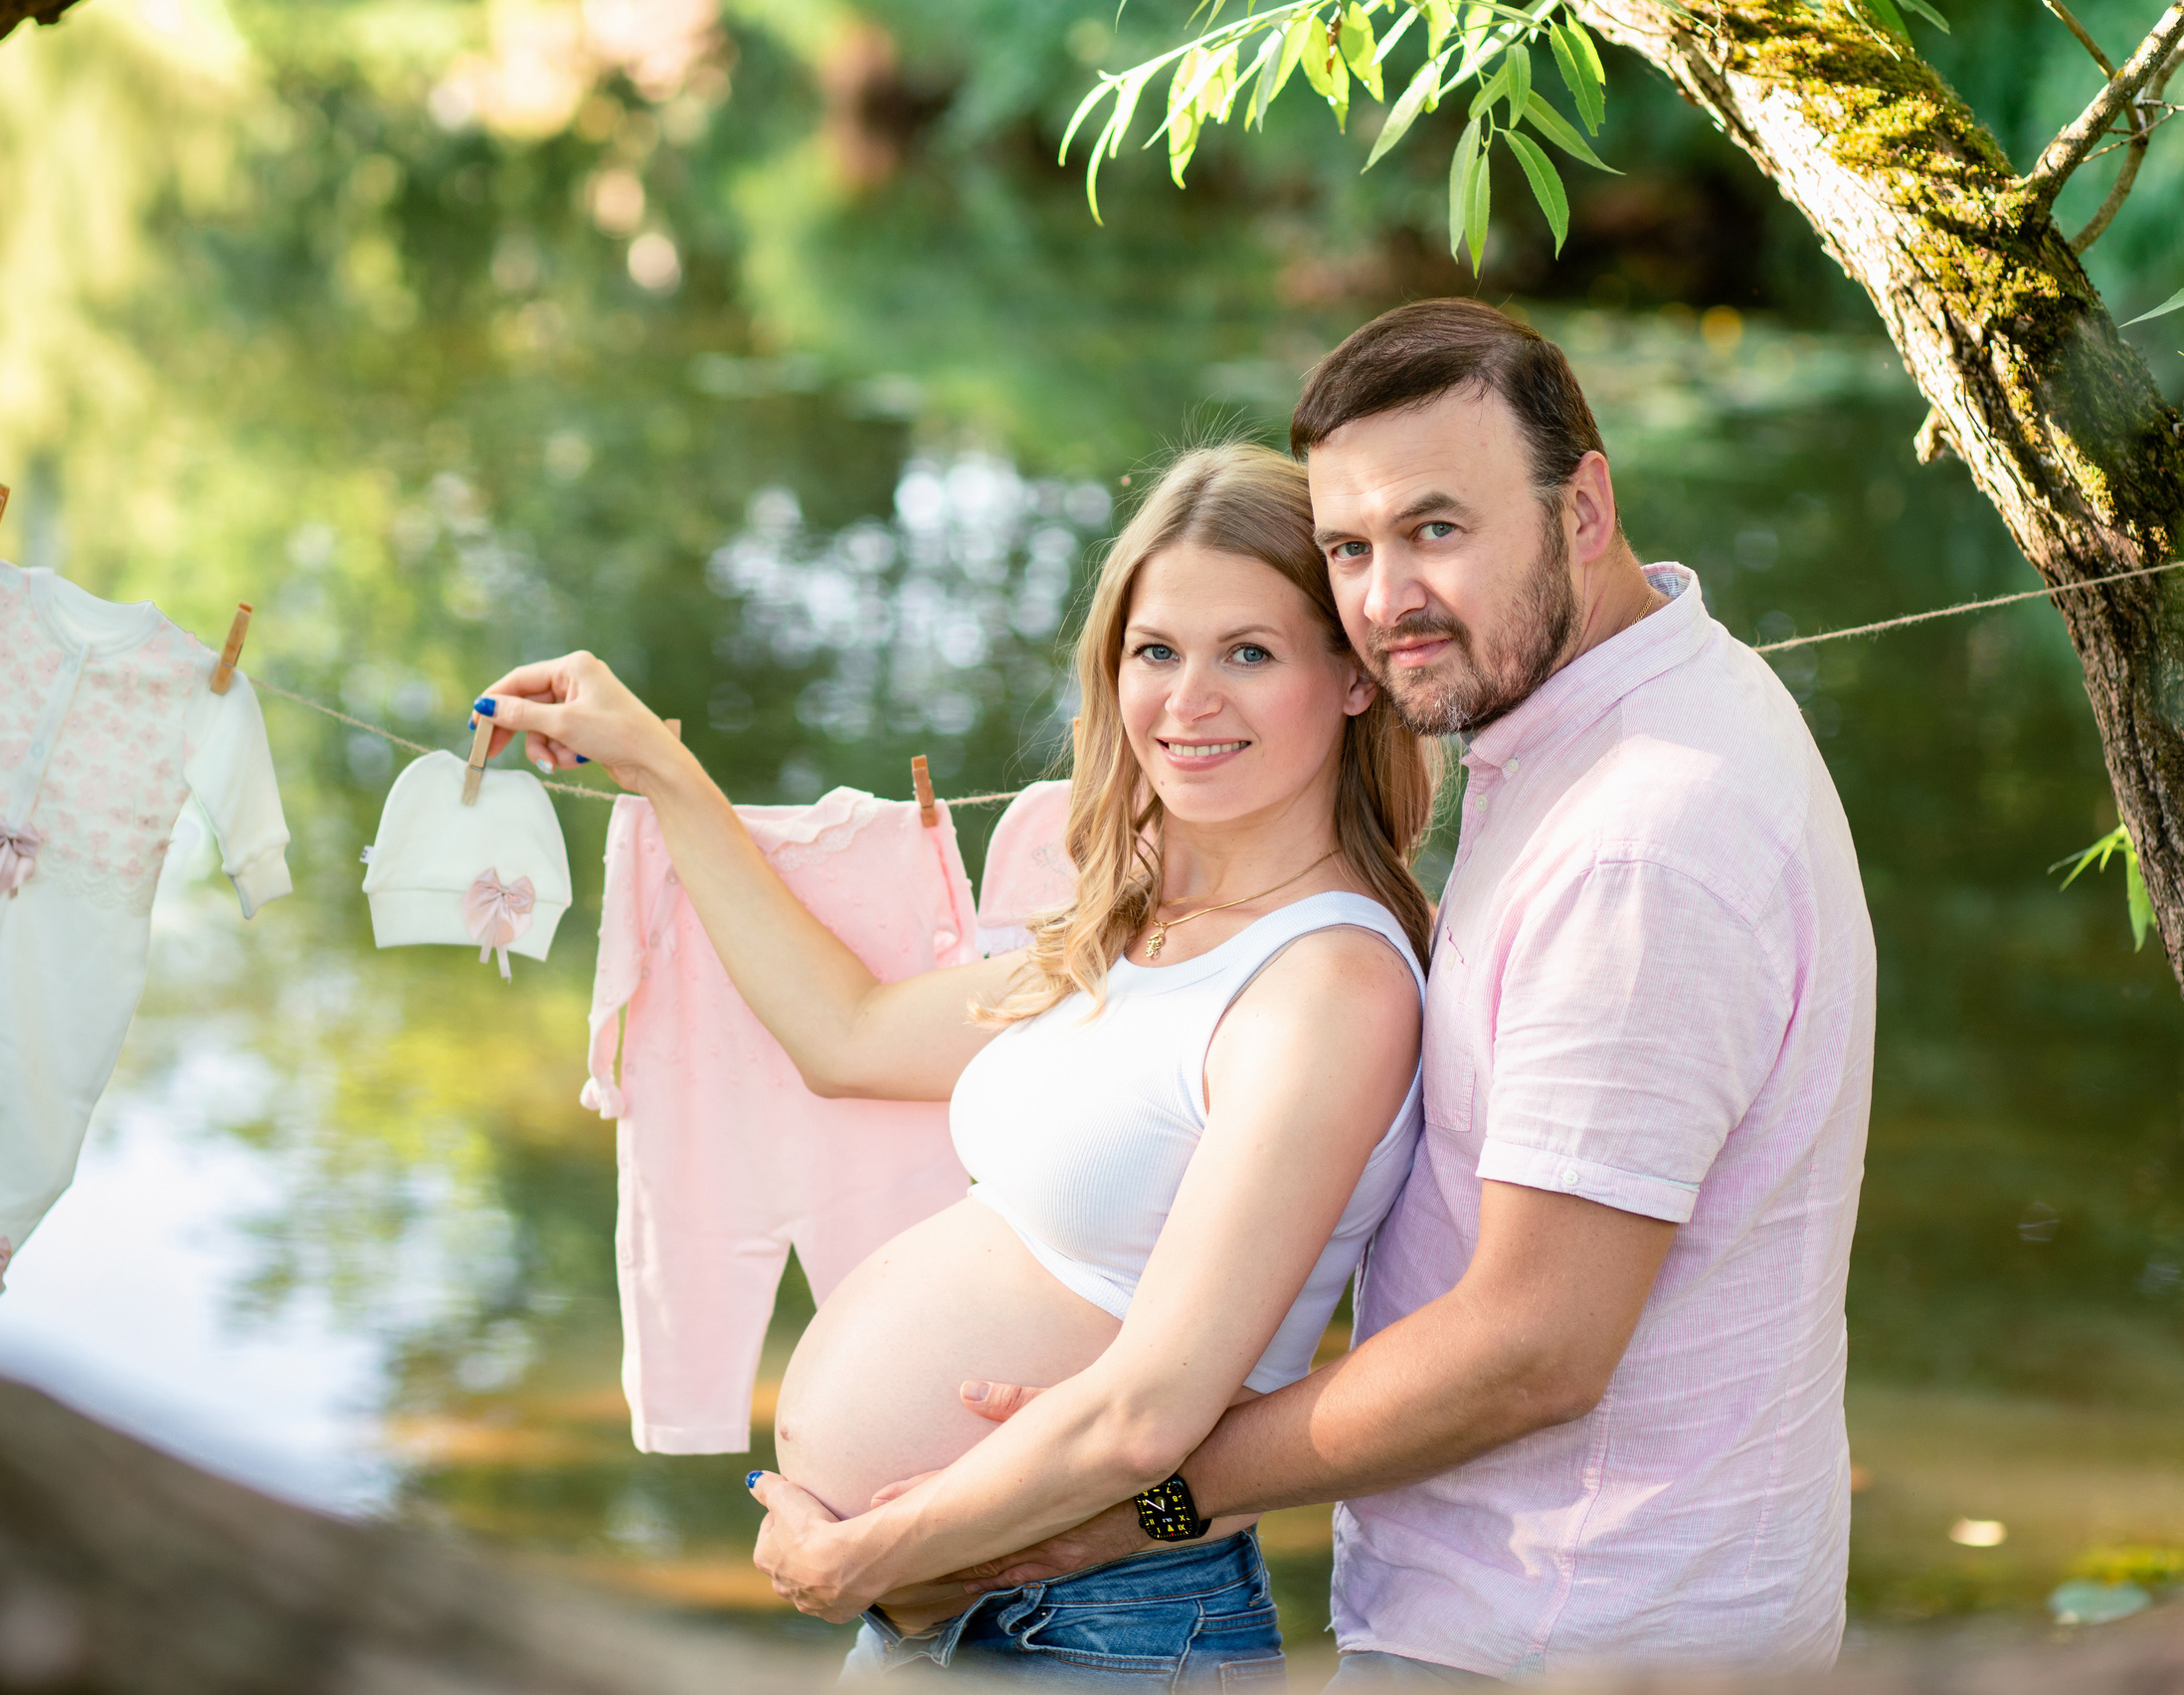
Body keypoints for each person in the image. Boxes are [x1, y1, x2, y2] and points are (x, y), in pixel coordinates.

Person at [755, 300, 1878, 1680]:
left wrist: (1143, 1495)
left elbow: (1531, 1346)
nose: (1386, 597)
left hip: (1568, 1632)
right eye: (1351, 547)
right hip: (1500, 1603)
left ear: (1585, 506)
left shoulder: (1638, 839)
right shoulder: (1590, 729)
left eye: (1438, 529)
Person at [477, 444, 1435, 1683]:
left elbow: (1153, 1411)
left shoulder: (1326, 988)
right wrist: (658, 769)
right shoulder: (1135, 927)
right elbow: (849, 1033)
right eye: (1155, 651)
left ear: (1353, 676)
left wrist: (868, 1552)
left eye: (1248, 651)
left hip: (1110, 1618)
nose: (1187, 702)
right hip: (956, 1612)